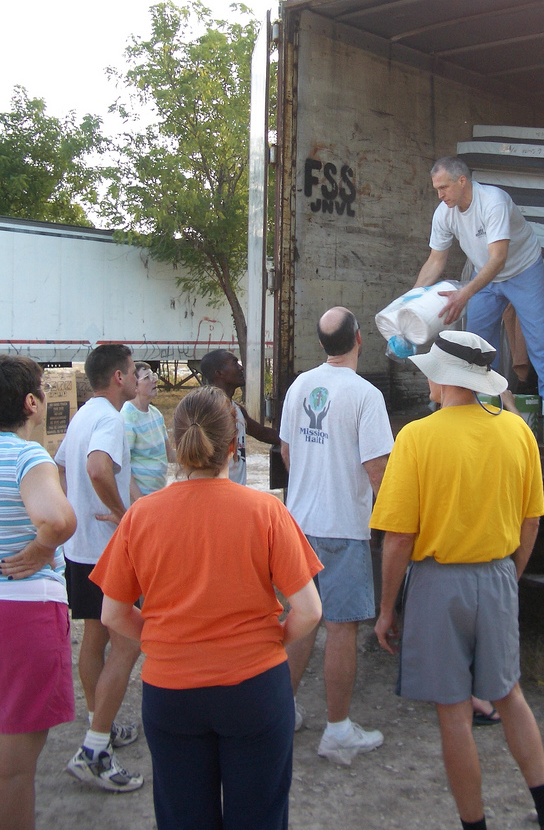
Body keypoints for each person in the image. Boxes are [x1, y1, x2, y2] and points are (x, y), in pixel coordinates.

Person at [90, 385, 323, 830]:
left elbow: (113, 613)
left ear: (176, 445)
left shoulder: (141, 515)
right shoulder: (266, 511)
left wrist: (163, 642)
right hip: (255, 688)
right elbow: (308, 611)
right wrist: (268, 642)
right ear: (235, 448)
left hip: (171, 691)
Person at [371, 330, 544, 830]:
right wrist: (509, 577)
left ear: (442, 378)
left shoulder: (417, 437)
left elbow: (398, 538)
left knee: (454, 713)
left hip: (439, 585)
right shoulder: (517, 431)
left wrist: (388, 608)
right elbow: (532, 521)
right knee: (509, 695)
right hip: (498, 576)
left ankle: (475, 825)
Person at [279, 306, 393, 765]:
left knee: (300, 619)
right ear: (359, 339)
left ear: (322, 344)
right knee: (341, 630)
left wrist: (311, 479)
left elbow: (287, 450)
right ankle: (338, 730)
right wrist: (387, 525)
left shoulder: (299, 386)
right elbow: (377, 470)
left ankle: (280, 712)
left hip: (299, 526)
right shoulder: (366, 395)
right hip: (344, 529)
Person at [56, 343, 144, 792]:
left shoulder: (83, 414)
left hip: (80, 549)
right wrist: (123, 513)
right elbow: (95, 468)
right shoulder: (110, 417)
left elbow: (61, 468)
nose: (136, 377)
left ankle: (101, 725)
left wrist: (73, 515)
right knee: (129, 644)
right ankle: (94, 750)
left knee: (94, 638)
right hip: (106, 552)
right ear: (118, 377)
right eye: (133, 372)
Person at [413, 156, 544, 401]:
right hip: (485, 275)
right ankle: (481, 404)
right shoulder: (444, 213)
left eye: (444, 187)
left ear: (462, 181)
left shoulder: (493, 202)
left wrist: (464, 294)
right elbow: (436, 260)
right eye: (436, 189)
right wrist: (411, 300)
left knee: (539, 341)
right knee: (476, 346)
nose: (440, 195)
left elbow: (498, 259)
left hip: (522, 269)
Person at [0, 356, 78, 830]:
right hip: (23, 613)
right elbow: (59, 518)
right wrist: (40, 547)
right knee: (12, 770)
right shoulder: (27, 456)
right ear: (31, 404)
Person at [199, 349, 280, 484]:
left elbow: (261, 433)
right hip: (216, 492)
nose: (241, 368)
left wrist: (296, 440)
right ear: (219, 373)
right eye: (234, 363)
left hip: (234, 492)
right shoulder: (208, 410)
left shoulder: (236, 409)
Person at [122, 362, 175, 496]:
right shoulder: (127, 417)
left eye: (153, 375)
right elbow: (123, 467)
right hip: (139, 500)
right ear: (135, 386)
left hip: (157, 496)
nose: (154, 380)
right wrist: (139, 500)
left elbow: (169, 454)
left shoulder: (155, 413)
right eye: (147, 378)